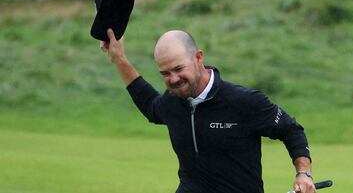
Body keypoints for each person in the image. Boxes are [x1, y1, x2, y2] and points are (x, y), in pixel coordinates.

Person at [100, 28, 316, 193]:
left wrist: (303, 174)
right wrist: (119, 59)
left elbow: (291, 130)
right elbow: (150, 106)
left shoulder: (243, 101)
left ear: (198, 58)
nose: (173, 79)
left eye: (178, 69)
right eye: (165, 73)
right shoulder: (173, 101)